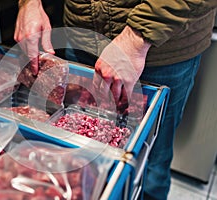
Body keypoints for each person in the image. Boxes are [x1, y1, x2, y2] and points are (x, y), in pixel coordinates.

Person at [14, 0, 217, 199]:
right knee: (77, 155)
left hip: (158, 49)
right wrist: (29, 3)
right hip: (81, 37)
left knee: (150, 163)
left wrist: (135, 38)